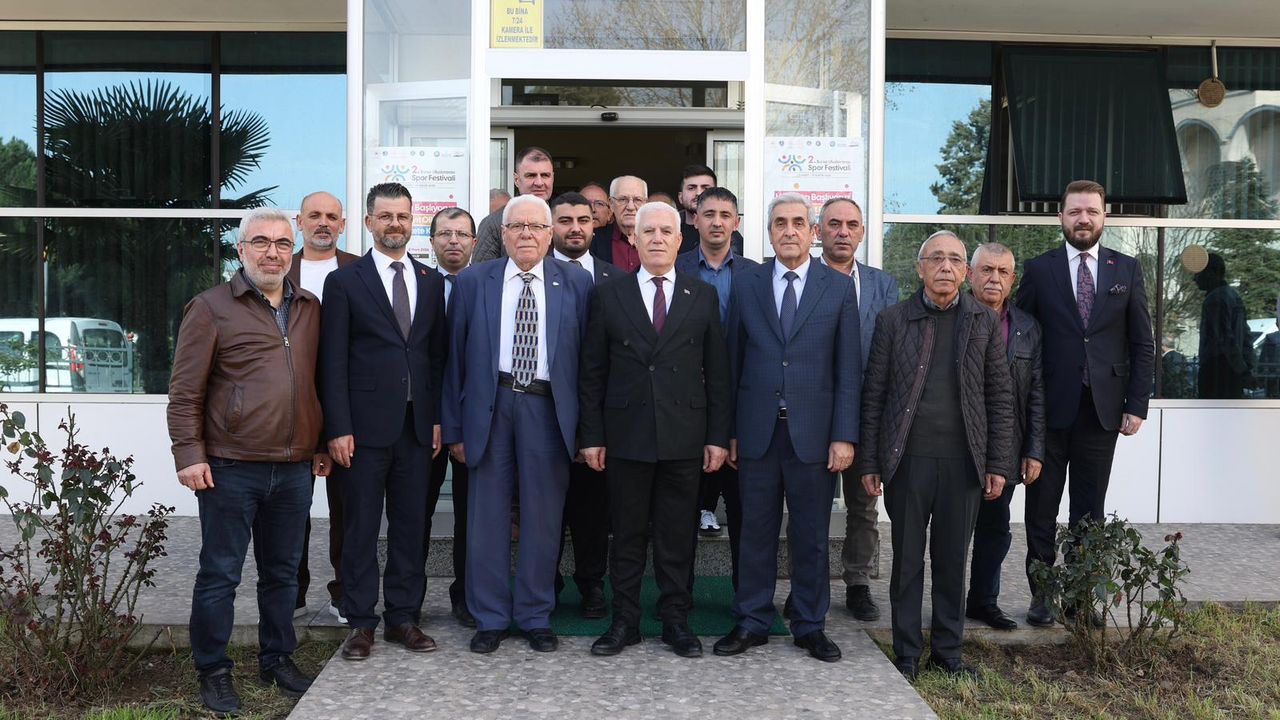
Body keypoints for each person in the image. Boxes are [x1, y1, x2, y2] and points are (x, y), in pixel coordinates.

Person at [168, 208, 325, 715]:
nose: (272, 252)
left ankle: (277, 659)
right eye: (261, 242)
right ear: (241, 249)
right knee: (221, 574)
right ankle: (213, 671)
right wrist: (188, 453)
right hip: (230, 466)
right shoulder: (211, 307)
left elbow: (318, 382)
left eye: (282, 243)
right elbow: (184, 391)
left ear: (292, 251)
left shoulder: (309, 307)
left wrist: (320, 443)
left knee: (283, 574)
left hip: (295, 467)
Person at [857, 230, 1014, 682]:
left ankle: (948, 654)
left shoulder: (983, 322)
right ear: (920, 267)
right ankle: (906, 653)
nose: (946, 267)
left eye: (955, 260)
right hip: (908, 462)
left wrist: (998, 464)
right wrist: (870, 461)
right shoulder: (893, 320)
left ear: (966, 271)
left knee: (951, 563)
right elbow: (874, 395)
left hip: (964, 464)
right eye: (936, 259)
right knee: (907, 562)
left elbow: (1000, 396)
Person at [442, 194, 594, 654]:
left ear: (550, 235)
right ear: (503, 234)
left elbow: (588, 362)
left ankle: (534, 614)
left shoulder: (577, 282)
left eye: (536, 226)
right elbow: (453, 361)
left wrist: (585, 430)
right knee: (486, 517)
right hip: (491, 405)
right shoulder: (474, 281)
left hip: (548, 409)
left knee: (544, 518)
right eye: (517, 226)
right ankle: (489, 617)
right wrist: (454, 429)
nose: (527, 234)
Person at [579, 201, 732, 658]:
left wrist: (717, 437)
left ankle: (675, 620)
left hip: (684, 435)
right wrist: (592, 436)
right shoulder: (609, 294)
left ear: (680, 240)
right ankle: (624, 621)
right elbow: (592, 372)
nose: (658, 238)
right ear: (635, 238)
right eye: (649, 231)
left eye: (667, 231)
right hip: (626, 435)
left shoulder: (702, 295)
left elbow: (718, 373)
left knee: (677, 535)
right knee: (626, 535)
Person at [714, 194, 860, 663]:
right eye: (780, 223)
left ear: (813, 232)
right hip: (757, 432)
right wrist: (730, 430)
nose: (789, 230)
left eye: (799, 222)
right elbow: (732, 363)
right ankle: (752, 620)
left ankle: (810, 624)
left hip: (814, 437)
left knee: (811, 535)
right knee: (754, 531)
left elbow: (847, 369)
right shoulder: (747, 283)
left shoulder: (837, 287)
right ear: (769, 232)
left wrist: (844, 435)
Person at [1016, 180, 1154, 628]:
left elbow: (1143, 343)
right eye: (1075, 211)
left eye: (1091, 211)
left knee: (1089, 512)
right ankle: (1042, 596)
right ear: (1061, 216)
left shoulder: (1126, 269)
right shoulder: (1039, 269)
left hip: (1102, 411)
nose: (1083, 219)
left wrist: (1136, 403)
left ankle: (1079, 598)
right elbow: (1021, 337)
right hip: (1048, 411)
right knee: (1041, 507)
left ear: (1104, 217)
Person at [320, 182, 448, 661]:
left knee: (411, 527)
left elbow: (436, 358)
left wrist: (437, 420)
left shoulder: (431, 281)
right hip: (362, 432)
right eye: (386, 216)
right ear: (369, 221)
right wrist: (337, 427)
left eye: (403, 216)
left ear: (413, 221)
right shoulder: (345, 282)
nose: (395, 224)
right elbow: (332, 361)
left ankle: (403, 618)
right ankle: (360, 622)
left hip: (417, 429)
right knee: (360, 528)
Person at [815, 197, 899, 623]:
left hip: (868, 414)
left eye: (851, 224)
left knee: (864, 506)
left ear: (863, 232)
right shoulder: (804, 278)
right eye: (834, 224)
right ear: (819, 232)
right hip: (814, 413)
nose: (843, 232)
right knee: (810, 505)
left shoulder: (884, 285)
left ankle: (858, 583)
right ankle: (810, 585)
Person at [674, 187, 757, 590]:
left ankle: (746, 600)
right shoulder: (675, 269)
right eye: (709, 214)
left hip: (742, 403)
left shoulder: (756, 275)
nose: (717, 222)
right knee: (682, 508)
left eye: (726, 215)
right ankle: (679, 599)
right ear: (694, 220)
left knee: (744, 510)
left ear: (737, 223)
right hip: (686, 403)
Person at [286, 191, 359, 624]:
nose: (323, 223)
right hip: (291, 406)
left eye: (332, 216)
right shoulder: (280, 268)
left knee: (347, 509)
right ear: (299, 222)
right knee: (290, 509)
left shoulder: (359, 270)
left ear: (343, 225)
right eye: (314, 215)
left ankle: (345, 593)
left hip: (345, 406)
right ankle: (291, 594)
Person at [548, 191, 622, 619]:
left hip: (602, 415)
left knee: (594, 510)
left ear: (595, 225)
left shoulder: (617, 279)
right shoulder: (533, 276)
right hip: (546, 414)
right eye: (565, 220)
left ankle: (592, 584)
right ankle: (547, 583)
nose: (575, 228)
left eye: (583, 219)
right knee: (547, 509)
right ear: (551, 227)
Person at [965, 242, 1045, 631]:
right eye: (986, 270)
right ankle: (947, 605)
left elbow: (1037, 394)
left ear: (1013, 280)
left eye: (1002, 272)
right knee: (954, 531)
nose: (994, 278)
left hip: (1005, 446)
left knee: (995, 530)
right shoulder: (953, 316)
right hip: (957, 444)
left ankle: (983, 601)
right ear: (970, 274)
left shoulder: (1028, 328)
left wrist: (1034, 450)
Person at [423, 207, 478, 628]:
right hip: (422, 422)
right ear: (432, 242)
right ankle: (410, 600)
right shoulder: (418, 285)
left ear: (474, 242)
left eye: (461, 234)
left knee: (471, 515)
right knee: (416, 512)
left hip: (473, 421)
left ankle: (466, 597)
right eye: (445, 233)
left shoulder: (486, 287)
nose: (453, 240)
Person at [472, 147, 555, 263]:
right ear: (516, 180)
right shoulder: (493, 224)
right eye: (531, 175)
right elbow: (482, 272)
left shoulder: (564, 220)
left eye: (545, 175)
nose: (539, 183)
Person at [1194, 252, 1254, 399]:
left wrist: (1242, 370)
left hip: (1218, 371)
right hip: (1231, 371)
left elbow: (1225, 338)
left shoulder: (1215, 299)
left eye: (1199, 273)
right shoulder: (1234, 296)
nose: (1195, 278)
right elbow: (1246, 336)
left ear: (1212, 273)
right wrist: (1247, 367)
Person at [677, 164, 744, 255]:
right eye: (691, 188)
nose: (698, 193)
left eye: (705, 188)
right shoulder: (671, 230)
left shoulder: (730, 236)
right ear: (680, 197)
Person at [589, 175, 647, 273]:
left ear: (645, 204)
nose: (630, 207)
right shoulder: (593, 240)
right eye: (623, 199)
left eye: (637, 200)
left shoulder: (656, 239)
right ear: (611, 204)